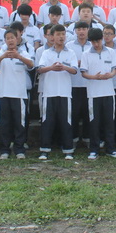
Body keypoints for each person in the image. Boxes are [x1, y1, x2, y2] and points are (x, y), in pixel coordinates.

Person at [37, 24, 78, 160]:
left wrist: (64, 67)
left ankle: (68, 149)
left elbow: (74, 70)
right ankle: (44, 150)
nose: (61, 37)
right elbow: (40, 69)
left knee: (66, 121)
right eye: (58, 34)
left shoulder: (70, 52)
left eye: (63, 34)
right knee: (47, 121)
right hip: (49, 93)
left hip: (65, 93)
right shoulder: (46, 53)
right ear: (52, 36)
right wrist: (51, 68)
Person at [0, 29, 34, 159]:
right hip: (3, 93)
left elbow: (31, 65)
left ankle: (19, 149)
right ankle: (4, 150)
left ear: (17, 39)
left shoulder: (24, 52)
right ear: (5, 40)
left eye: (12, 38)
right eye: (8, 38)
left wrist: (19, 57)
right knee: (4, 123)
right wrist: (3, 56)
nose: (10, 40)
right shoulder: (1, 52)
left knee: (19, 123)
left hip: (19, 94)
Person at [80, 28, 116, 159]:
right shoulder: (86, 54)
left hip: (109, 92)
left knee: (109, 122)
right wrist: (94, 77)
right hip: (93, 94)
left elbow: (115, 69)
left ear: (102, 39)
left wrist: (110, 75)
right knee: (94, 122)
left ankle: (110, 148)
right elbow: (83, 73)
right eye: (93, 42)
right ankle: (94, 149)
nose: (96, 44)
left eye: (98, 41)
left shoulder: (110, 52)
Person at [66, 21, 91, 145]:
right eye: (79, 29)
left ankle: (87, 138)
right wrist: (76, 62)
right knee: (74, 113)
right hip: (73, 84)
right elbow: (66, 62)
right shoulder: (69, 46)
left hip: (89, 84)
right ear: (75, 31)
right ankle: (74, 138)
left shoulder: (92, 45)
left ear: (88, 30)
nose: (81, 32)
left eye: (84, 29)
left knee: (88, 113)